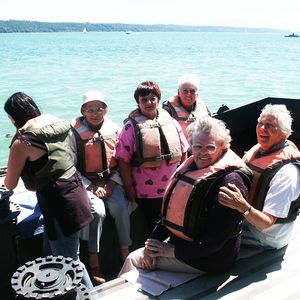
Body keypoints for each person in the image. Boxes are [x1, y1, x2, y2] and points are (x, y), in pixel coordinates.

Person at [119, 115, 251, 276]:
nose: (202, 153)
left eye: (210, 147)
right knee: (144, 255)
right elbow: (167, 217)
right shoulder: (190, 169)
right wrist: (151, 245)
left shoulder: (230, 183)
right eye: (197, 147)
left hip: (211, 259)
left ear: (223, 147)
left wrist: (172, 252)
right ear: (190, 147)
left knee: (133, 259)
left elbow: (214, 242)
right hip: (184, 246)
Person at [4, 92, 93, 288]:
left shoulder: (23, 142)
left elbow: (9, 184)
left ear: (13, 116)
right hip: (76, 191)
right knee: (51, 253)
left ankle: (91, 294)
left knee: (70, 263)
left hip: (58, 203)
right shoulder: (54, 122)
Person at [218, 104, 300, 250]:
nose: (262, 129)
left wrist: (241, 206)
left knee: (212, 233)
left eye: (270, 125)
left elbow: (267, 222)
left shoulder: (287, 173)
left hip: (266, 235)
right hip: (249, 218)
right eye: (260, 123)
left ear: (284, 133)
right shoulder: (260, 150)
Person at [70, 90, 131, 284]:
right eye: (90, 109)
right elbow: (70, 166)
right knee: (98, 212)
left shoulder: (114, 129)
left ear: (106, 109)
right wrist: (90, 187)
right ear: (83, 111)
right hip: (86, 183)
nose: (95, 113)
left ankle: (125, 253)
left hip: (111, 180)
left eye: (99, 108)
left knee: (121, 207)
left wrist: (113, 182)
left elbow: (121, 160)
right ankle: (94, 261)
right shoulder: (74, 134)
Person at [114, 81, 190, 234]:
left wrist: (183, 179)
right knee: (155, 228)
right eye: (144, 100)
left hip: (172, 186)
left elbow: (183, 151)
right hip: (146, 191)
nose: (149, 102)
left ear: (158, 100)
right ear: (138, 102)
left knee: (176, 223)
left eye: (152, 98)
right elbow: (122, 160)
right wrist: (129, 189)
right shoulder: (130, 128)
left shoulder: (171, 122)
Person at [163, 74, 210, 139]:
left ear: (197, 94)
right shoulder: (168, 109)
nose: (188, 94)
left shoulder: (203, 107)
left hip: (199, 146)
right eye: (185, 91)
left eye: (192, 91)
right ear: (178, 93)